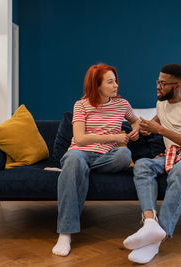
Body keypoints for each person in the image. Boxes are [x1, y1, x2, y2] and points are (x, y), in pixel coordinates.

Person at [123, 63, 181, 264]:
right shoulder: (162, 103)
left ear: (177, 85)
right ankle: (150, 223)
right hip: (171, 153)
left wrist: (159, 130)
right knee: (143, 164)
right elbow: (155, 123)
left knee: (180, 171)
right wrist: (144, 129)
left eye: (163, 83)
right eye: (157, 81)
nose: (158, 86)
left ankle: (157, 238)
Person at [52, 63, 140, 256]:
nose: (116, 85)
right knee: (74, 158)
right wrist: (115, 138)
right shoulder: (81, 105)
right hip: (80, 152)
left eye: (115, 80)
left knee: (124, 155)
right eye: (110, 82)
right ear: (96, 85)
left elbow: (135, 120)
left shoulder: (122, 104)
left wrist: (136, 130)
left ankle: (77, 171)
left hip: (107, 157)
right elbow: (81, 138)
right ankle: (65, 233)